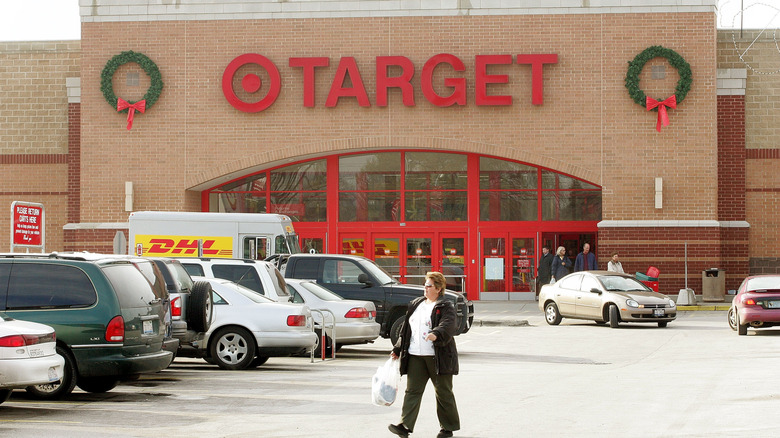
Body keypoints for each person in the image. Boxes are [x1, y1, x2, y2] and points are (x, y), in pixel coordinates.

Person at [388, 271, 460, 438]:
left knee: (443, 392)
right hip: (415, 355)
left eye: (429, 286)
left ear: (439, 288)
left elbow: (448, 324)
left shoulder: (445, 306)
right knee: (412, 391)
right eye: (425, 285)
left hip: (438, 356)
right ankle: (404, 425)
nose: (425, 288)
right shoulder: (416, 304)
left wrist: (436, 333)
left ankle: (447, 428)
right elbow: (407, 330)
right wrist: (398, 348)